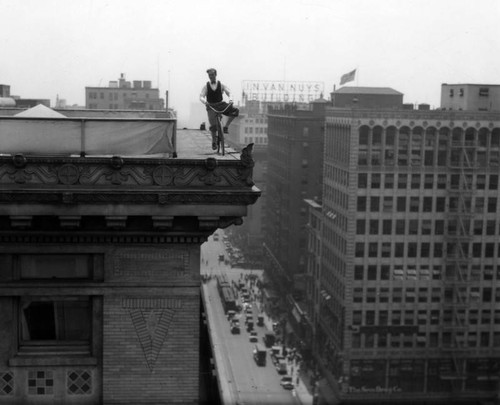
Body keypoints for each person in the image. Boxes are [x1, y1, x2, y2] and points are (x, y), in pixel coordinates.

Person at [200, 68, 239, 150]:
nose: (211, 77)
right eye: (209, 75)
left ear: (215, 75)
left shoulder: (221, 85)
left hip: (221, 104)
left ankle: (226, 126)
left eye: (212, 75)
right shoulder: (206, 86)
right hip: (211, 106)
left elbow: (229, 92)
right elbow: (201, 96)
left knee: (235, 111)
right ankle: (214, 141)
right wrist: (205, 102)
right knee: (213, 125)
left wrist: (231, 100)